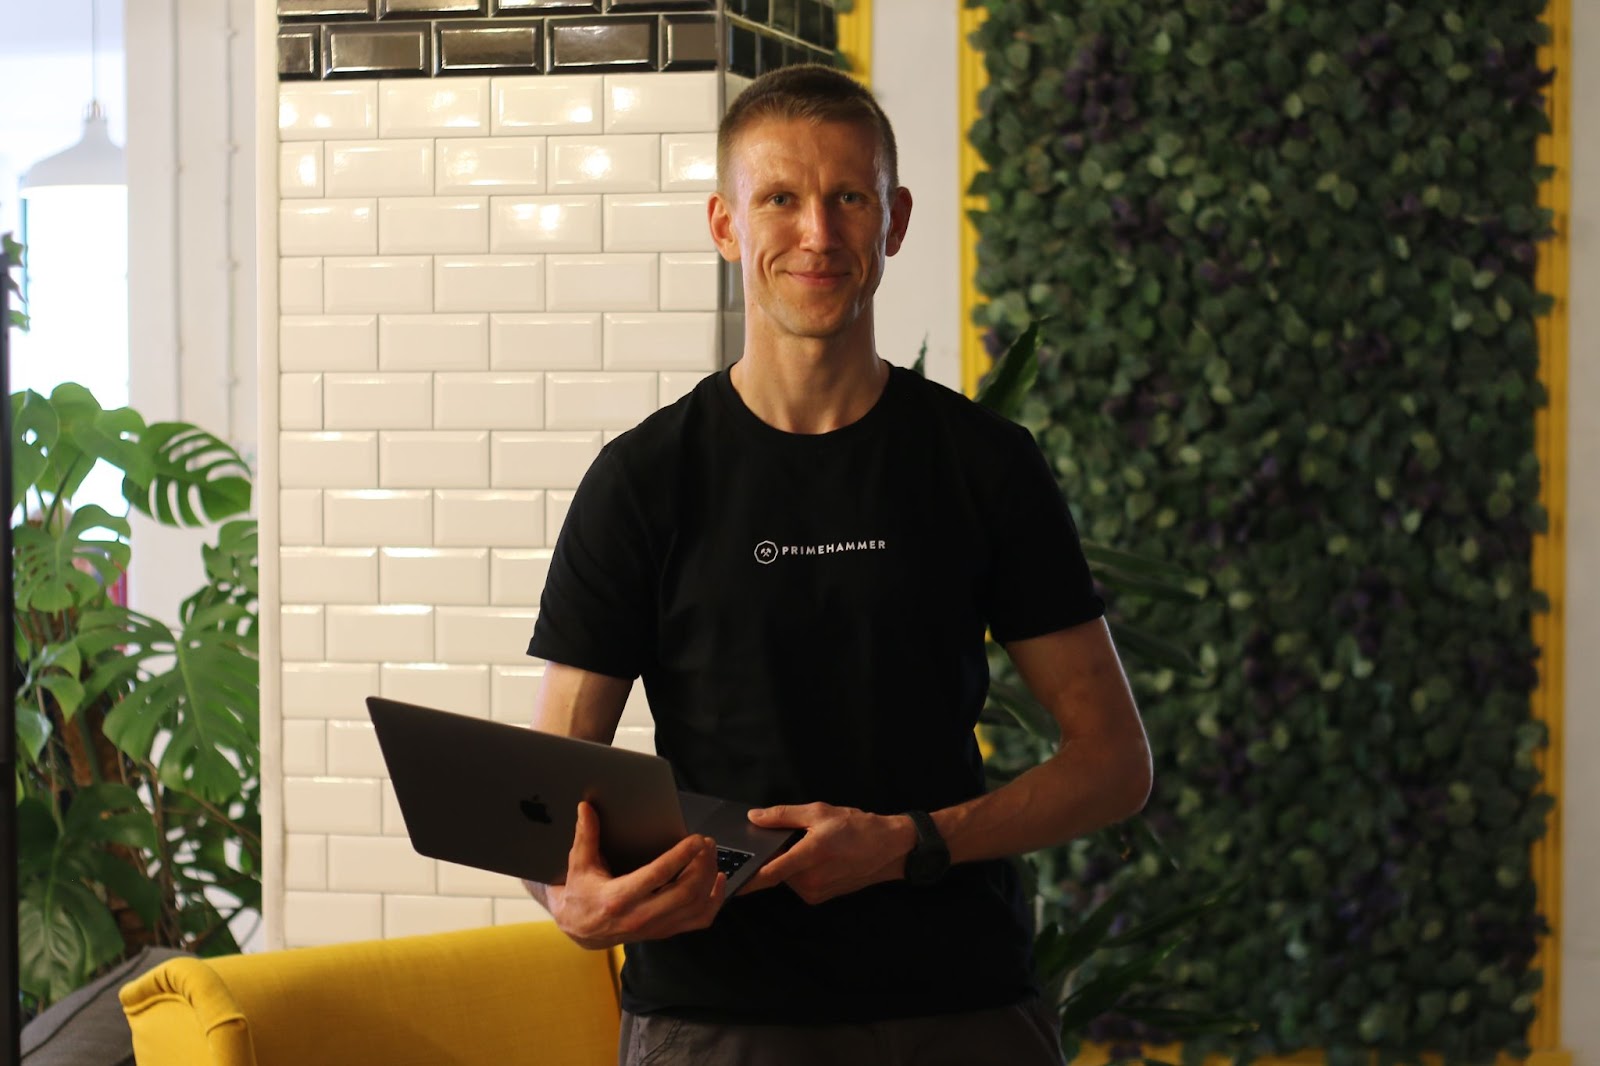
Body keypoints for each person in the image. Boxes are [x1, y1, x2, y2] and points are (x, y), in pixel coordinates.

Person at [522, 64, 1153, 1066]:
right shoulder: (643, 479)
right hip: (715, 1011)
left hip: (962, 1005)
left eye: (847, 198)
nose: (816, 234)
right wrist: (571, 897)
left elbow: (1113, 764)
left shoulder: (985, 465)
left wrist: (909, 841)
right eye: (780, 198)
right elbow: (549, 801)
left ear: (893, 219)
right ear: (726, 225)